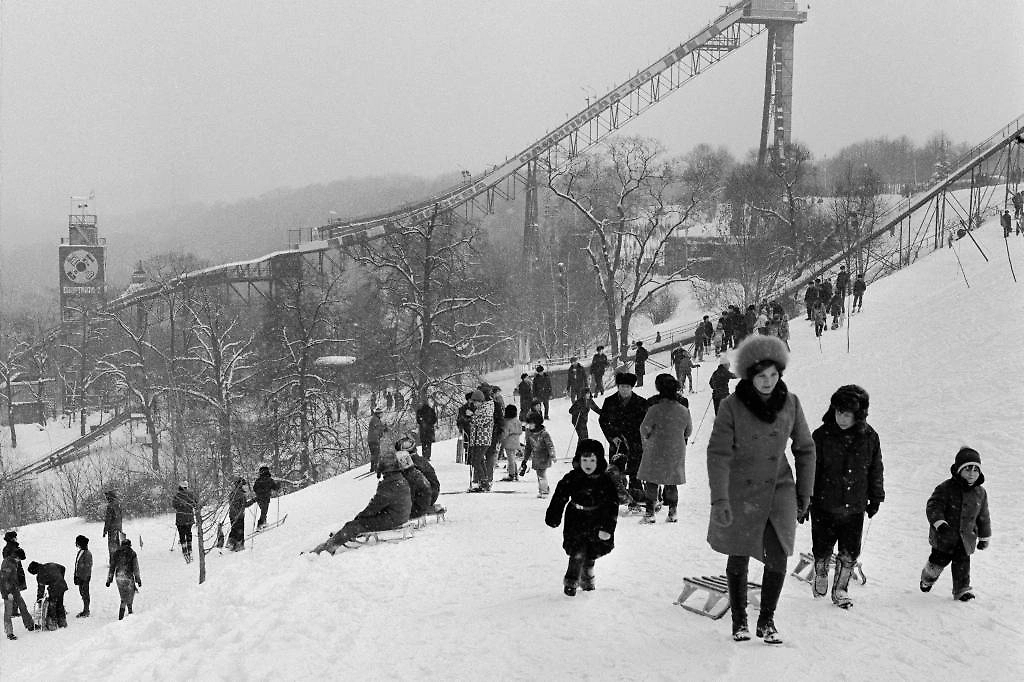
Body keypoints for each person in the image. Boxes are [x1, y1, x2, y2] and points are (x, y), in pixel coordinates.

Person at [706, 334, 814, 644]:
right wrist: (720, 498)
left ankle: (766, 620)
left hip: (779, 487)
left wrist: (804, 492)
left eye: (773, 375)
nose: (767, 382)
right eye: (760, 375)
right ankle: (739, 619)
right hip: (740, 487)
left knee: (778, 554)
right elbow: (719, 453)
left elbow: (805, 448)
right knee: (740, 553)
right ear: (750, 375)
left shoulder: (791, 402)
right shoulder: (732, 406)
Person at [809, 385, 884, 608]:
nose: (842, 418)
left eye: (848, 414)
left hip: (855, 506)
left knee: (850, 552)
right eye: (839, 412)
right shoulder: (821, 436)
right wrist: (805, 499)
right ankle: (821, 569)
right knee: (822, 548)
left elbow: (875, 468)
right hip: (824, 505)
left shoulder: (869, 437)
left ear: (858, 415)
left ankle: (841, 590)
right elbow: (810, 470)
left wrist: (876, 496)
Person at [545, 439, 619, 597]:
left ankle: (588, 576)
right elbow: (561, 495)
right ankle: (571, 582)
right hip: (576, 519)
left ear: (598, 461)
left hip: (596, 519)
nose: (588, 464)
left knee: (590, 553)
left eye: (592, 460)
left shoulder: (605, 481)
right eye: (584, 460)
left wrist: (607, 527)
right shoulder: (572, 477)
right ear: (579, 460)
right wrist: (554, 514)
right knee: (577, 552)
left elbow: (612, 504)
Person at [920, 447, 991, 602]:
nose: (972, 474)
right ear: (959, 470)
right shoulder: (945, 488)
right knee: (937, 562)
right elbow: (933, 506)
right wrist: (940, 523)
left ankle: (961, 590)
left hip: (965, 539)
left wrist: (984, 537)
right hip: (944, 537)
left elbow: (983, 516)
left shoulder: (980, 493)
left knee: (962, 566)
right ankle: (927, 578)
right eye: (967, 469)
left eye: (975, 470)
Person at [314, 451, 412, 555]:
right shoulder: (400, 480)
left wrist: (360, 517)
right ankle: (346, 535)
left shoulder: (389, 485)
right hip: (400, 516)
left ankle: (327, 548)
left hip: (392, 519)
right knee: (361, 521)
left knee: (352, 526)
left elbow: (374, 507)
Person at [638, 374, 692, 524]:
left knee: (652, 480)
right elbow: (688, 432)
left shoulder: (654, 409)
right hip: (676, 450)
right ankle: (673, 512)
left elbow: (644, 428)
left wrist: (650, 438)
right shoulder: (683, 410)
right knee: (671, 481)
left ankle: (650, 513)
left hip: (656, 449)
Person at [598, 372, 648, 511]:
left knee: (635, 471)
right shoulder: (609, 401)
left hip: (635, 442)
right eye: (621, 386)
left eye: (627, 386)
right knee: (615, 471)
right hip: (617, 443)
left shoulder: (641, 402)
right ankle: (617, 498)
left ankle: (635, 500)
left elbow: (646, 423)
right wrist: (612, 436)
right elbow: (602, 420)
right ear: (618, 387)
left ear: (631, 387)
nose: (624, 389)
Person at [1, 544, 34, 639]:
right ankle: (9, 632)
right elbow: (4, 580)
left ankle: (30, 625)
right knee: (8, 611)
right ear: (16, 556)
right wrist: (8, 593)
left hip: (15, 589)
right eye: (19, 559)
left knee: (23, 606)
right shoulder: (7, 564)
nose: (19, 561)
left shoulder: (14, 562)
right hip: (8, 592)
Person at [520, 413, 556, 498]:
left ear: (536, 423)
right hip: (536, 458)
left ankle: (544, 491)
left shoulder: (544, 434)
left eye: (531, 424)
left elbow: (550, 445)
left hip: (544, 457)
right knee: (539, 475)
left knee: (541, 474)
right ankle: (544, 489)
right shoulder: (530, 435)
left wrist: (552, 455)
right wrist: (525, 459)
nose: (529, 426)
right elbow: (528, 448)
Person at [105, 538, 141, 620]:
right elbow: (136, 568)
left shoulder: (116, 553)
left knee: (124, 596)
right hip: (128, 577)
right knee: (129, 596)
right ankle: (125, 616)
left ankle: (126, 614)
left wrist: (109, 580)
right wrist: (138, 580)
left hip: (119, 577)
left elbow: (112, 567)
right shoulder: (132, 553)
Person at [467, 389, 495, 492]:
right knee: (480, 461)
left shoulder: (486, 409)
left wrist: (472, 417)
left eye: (475, 402)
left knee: (477, 461)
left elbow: (482, 422)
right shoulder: (481, 409)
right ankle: (484, 482)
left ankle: (484, 482)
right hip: (478, 439)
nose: (474, 404)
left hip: (483, 439)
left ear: (480, 401)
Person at [27, 560, 68, 629]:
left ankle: (52, 624)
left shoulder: (40, 575)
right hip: (62, 585)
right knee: (60, 603)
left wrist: (39, 600)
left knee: (52, 605)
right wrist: (60, 578)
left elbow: (41, 589)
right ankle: (62, 622)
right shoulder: (50, 565)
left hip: (54, 588)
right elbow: (63, 568)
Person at [396, 444, 432, 519]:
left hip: (419, 507)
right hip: (427, 498)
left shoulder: (409, 475)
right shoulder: (415, 469)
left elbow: (409, 496)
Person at [2, 530, 26, 619]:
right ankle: (13, 611)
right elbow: (10, 562)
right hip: (13, 572)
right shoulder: (11, 548)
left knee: (15, 590)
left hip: (14, 571)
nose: (16, 539)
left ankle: (14, 610)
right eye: (15, 537)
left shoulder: (10, 548)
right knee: (14, 590)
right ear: (12, 539)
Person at [226, 478, 256, 551]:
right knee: (239, 531)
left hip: (232, 515)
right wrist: (253, 500)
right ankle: (239, 546)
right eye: (243, 485)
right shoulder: (241, 494)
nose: (244, 486)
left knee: (234, 529)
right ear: (240, 485)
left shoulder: (232, 493)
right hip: (239, 515)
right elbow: (244, 505)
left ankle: (231, 543)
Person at [172, 481, 197, 562]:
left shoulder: (177, 495)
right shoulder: (191, 494)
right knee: (188, 532)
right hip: (189, 518)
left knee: (182, 534)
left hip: (180, 518)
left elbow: (174, 505)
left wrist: (180, 506)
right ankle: (190, 548)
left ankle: (184, 549)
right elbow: (195, 504)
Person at [252, 466, 281, 530]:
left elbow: (254, 489)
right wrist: (278, 484)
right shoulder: (269, 480)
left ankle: (264, 522)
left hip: (259, 498)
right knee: (264, 512)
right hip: (265, 498)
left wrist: (259, 492)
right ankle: (260, 525)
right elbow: (275, 488)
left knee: (263, 511)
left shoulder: (258, 480)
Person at [500, 404, 523, 482]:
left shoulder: (507, 422)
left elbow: (505, 433)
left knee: (510, 459)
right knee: (513, 458)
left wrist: (501, 439)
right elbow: (520, 431)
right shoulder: (518, 421)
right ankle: (515, 473)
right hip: (516, 441)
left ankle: (511, 474)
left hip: (508, 442)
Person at [73, 535, 93, 618]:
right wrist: (75, 575)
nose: (76, 544)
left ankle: (86, 610)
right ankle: (85, 609)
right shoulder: (80, 552)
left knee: (85, 594)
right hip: (80, 577)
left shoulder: (87, 554)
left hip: (84, 578)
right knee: (82, 593)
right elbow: (77, 564)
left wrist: (83, 578)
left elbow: (87, 567)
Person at [102, 490, 124, 562]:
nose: (106, 499)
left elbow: (108, 519)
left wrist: (105, 530)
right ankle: (119, 559)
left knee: (112, 546)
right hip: (119, 528)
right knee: (118, 544)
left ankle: (113, 561)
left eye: (107, 497)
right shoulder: (118, 504)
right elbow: (120, 517)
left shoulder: (110, 506)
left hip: (112, 529)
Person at [415, 396, 438, 461]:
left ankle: (425, 456)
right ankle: (427, 456)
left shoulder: (420, 411)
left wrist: (423, 423)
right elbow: (434, 419)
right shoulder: (431, 410)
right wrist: (429, 422)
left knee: (424, 443)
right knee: (428, 443)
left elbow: (418, 420)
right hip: (429, 429)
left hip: (423, 429)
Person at [367, 406, 388, 475]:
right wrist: (384, 428)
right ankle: (375, 467)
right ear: (378, 414)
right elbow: (379, 428)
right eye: (381, 414)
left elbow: (378, 428)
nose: (382, 415)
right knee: (376, 453)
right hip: (374, 439)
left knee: (373, 453)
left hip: (371, 439)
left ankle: (372, 467)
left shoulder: (374, 419)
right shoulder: (375, 420)